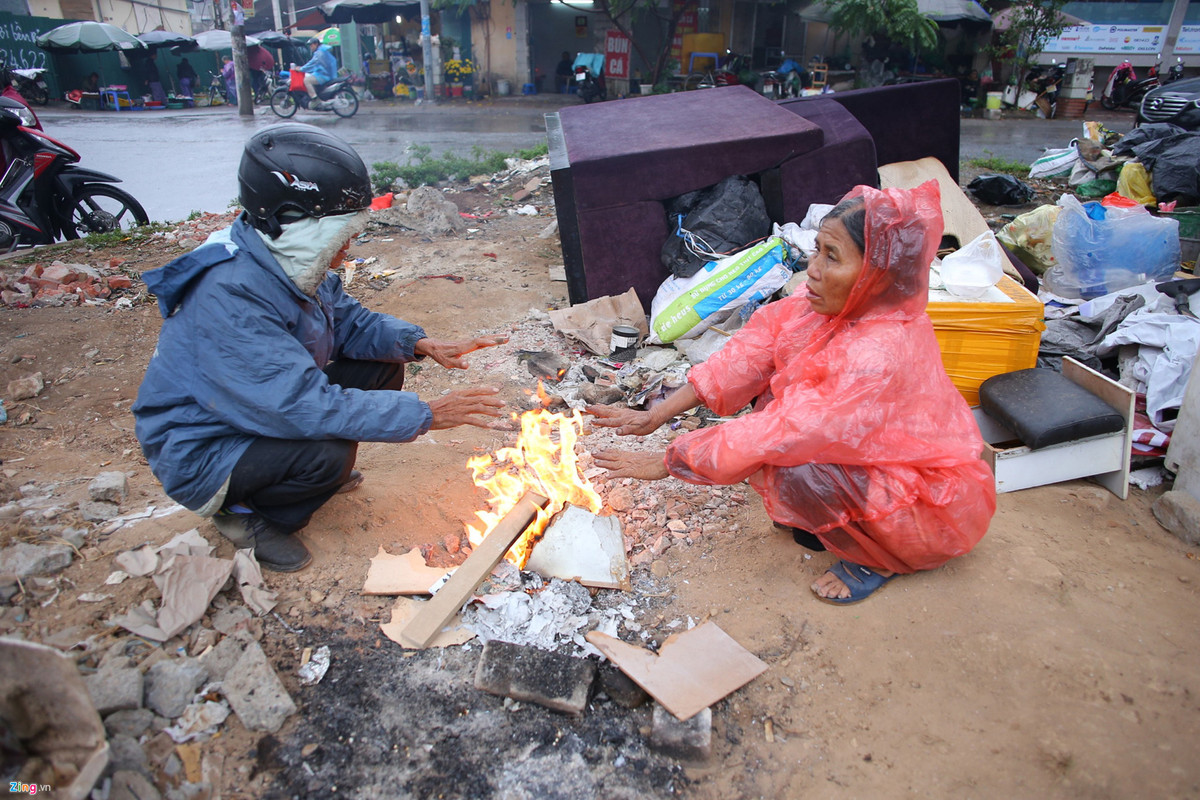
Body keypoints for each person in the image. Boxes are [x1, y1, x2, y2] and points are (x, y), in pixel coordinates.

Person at [588, 183, 996, 605]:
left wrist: (667, 460)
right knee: (772, 441)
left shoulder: (880, 351)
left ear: (878, 273)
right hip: (879, 471)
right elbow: (746, 358)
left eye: (832, 256)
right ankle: (835, 520)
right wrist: (657, 414)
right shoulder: (825, 305)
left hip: (928, 508)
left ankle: (881, 557)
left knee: (787, 466)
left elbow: (784, 431)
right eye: (816, 249)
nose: (813, 269)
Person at [132, 124, 508, 572]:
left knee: (380, 371)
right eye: (341, 233)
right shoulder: (230, 295)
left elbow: (350, 323)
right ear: (296, 223)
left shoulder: (282, 259)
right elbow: (301, 405)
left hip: (252, 408)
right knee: (327, 454)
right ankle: (245, 516)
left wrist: (420, 343)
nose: (348, 246)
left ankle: (293, 476)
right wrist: (428, 415)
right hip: (202, 446)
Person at [300, 36, 337, 108]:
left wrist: (302, 69)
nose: (310, 47)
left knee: (306, 80)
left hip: (324, 75)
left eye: (311, 45)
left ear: (316, 44)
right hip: (325, 73)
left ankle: (315, 99)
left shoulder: (319, 52)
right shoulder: (322, 50)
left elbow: (313, 63)